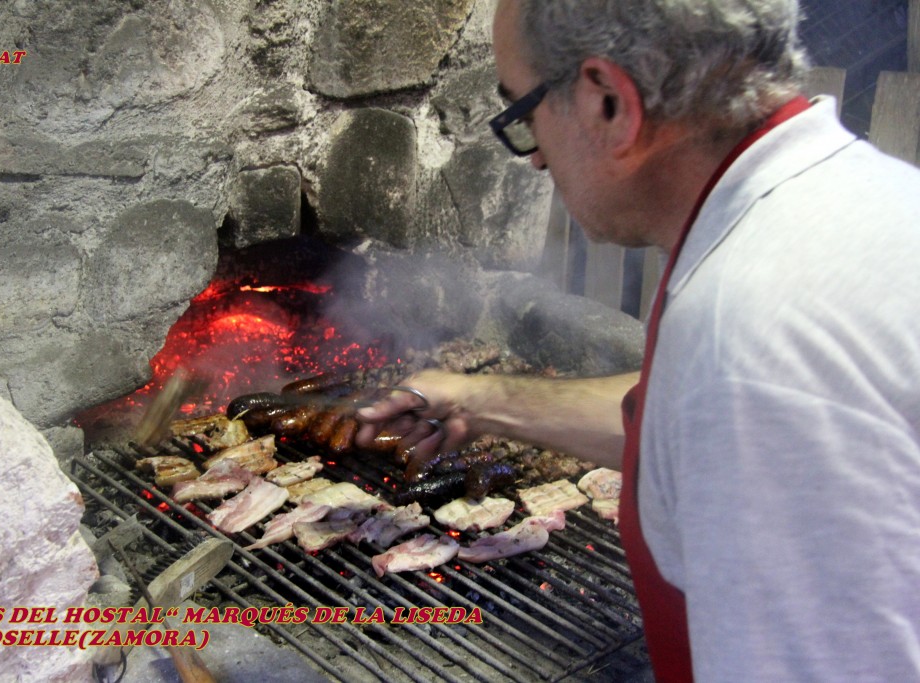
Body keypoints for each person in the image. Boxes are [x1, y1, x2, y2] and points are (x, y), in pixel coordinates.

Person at [356, 1, 920, 681]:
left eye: (523, 115)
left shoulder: (750, 337)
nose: (533, 159)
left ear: (606, 103)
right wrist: (481, 401)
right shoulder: (853, 203)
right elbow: (684, 420)